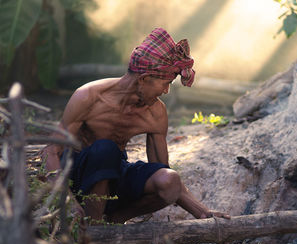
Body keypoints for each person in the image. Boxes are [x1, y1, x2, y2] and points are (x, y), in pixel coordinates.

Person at [41, 28, 230, 224]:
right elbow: (50, 152)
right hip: (77, 176)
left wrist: (203, 212)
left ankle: (115, 220)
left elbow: (161, 169)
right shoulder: (89, 97)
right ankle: (92, 228)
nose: (166, 91)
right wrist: (67, 200)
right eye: (165, 83)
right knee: (105, 149)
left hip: (114, 175)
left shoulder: (156, 112)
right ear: (144, 79)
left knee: (169, 180)